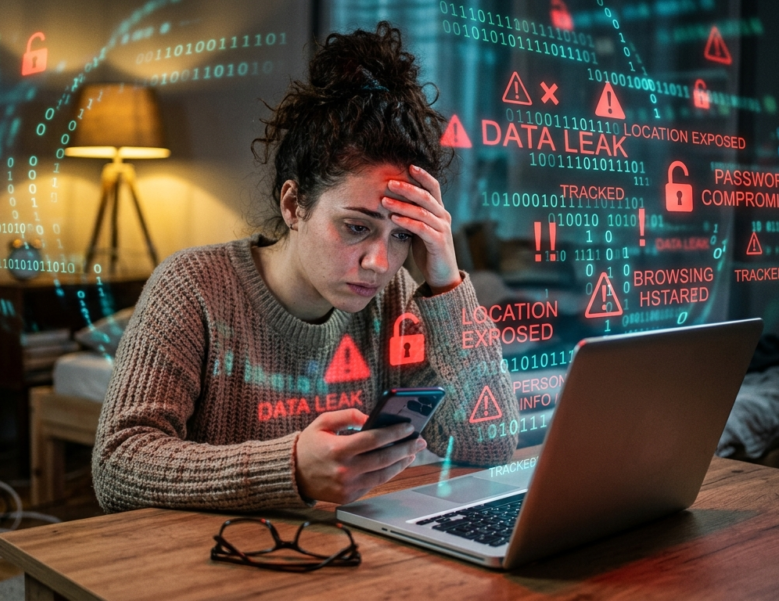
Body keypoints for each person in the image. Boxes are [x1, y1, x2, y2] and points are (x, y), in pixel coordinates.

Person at [92, 22, 518, 513]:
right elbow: (117, 465)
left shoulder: (397, 298)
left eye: (401, 235)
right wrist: (290, 468)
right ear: (293, 205)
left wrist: (445, 282)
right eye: (356, 227)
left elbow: (489, 445)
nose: (379, 262)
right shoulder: (193, 287)